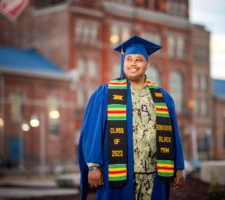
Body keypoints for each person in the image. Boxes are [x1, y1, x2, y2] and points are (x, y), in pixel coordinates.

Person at [78, 35, 184, 200]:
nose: (133, 64)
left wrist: (178, 166)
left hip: (154, 175)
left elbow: (173, 134)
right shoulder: (105, 93)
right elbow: (92, 132)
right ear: (123, 62)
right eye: (129, 59)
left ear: (146, 64)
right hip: (118, 173)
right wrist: (93, 166)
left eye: (138, 59)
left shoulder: (163, 97)